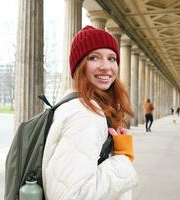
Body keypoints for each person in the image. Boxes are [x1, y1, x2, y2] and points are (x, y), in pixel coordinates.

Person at [42, 25, 138, 199]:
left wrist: (114, 150)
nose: (106, 67)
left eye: (112, 58)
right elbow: (74, 196)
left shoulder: (75, 105)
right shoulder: (86, 115)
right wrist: (123, 157)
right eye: (94, 58)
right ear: (80, 66)